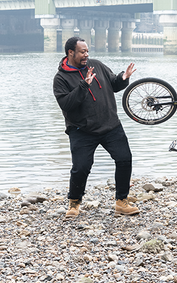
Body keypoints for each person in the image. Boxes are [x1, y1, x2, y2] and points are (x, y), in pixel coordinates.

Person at [53, 36, 139, 218]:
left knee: (124, 159)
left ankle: (121, 202)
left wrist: (124, 78)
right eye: (82, 52)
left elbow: (114, 84)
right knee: (81, 167)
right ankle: (74, 203)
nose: (86, 55)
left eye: (87, 51)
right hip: (81, 130)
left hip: (110, 125)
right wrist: (84, 85)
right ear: (71, 53)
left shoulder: (96, 66)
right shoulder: (61, 78)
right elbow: (67, 104)